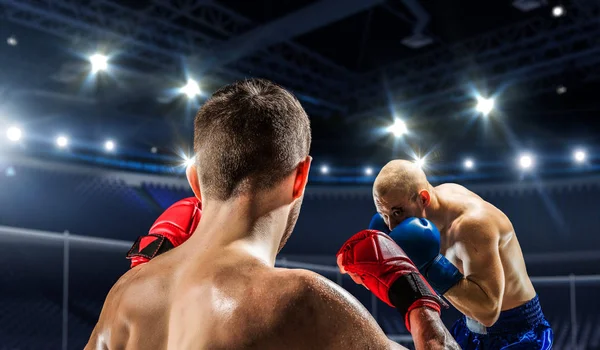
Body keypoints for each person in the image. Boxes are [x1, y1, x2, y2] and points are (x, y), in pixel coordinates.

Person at [85, 79, 460, 350]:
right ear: (300, 178)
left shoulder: (124, 294)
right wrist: (419, 305)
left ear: (195, 181)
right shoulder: (302, 301)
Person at [366, 159, 553, 349]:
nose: (391, 226)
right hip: (469, 328)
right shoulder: (427, 213)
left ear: (423, 199)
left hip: (518, 335)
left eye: (397, 212)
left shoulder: (473, 226)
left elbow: (489, 313)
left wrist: (431, 266)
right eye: (384, 215)